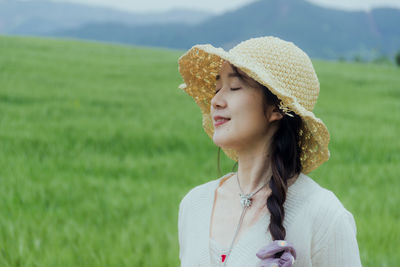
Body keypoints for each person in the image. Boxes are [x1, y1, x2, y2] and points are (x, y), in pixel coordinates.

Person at [177, 36, 362, 267]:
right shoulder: (194, 205)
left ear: (276, 108)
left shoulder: (323, 216)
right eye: (217, 88)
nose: (216, 101)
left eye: (234, 87)